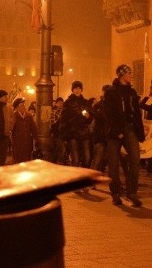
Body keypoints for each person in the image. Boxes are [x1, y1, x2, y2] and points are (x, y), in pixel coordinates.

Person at [103, 64, 145, 207]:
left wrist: (140, 133)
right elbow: (108, 113)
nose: (131, 75)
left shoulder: (132, 92)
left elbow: (137, 113)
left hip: (130, 129)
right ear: (122, 75)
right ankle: (115, 193)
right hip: (114, 132)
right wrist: (116, 131)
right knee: (113, 165)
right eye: (129, 73)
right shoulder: (111, 92)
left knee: (135, 160)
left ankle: (131, 192)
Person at [61, 80, 93, 167]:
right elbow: (63, 118)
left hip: (84, 132)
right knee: (76, 159)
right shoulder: (68, 102)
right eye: (75, 88)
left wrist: (88, 116)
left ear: (81, 89)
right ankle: (75, 177)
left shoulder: (86, 102)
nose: (77, 90)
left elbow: (90, 118)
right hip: (73, 132)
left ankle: (84, 176)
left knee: (87, 158)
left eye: (79, 88)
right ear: (72, 89)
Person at [89, 85, 110, 173]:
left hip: (109, 135)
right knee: (97, 159)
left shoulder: (112, 104)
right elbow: (96, 117)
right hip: (100, 135)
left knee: (105, 159)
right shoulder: (98, 105)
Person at [10, 97, 36, 163]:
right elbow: (10, 128)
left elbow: (33, 128)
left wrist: (36, 138)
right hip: (17, 142)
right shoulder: (14, 116)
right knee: (18, 160)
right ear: (16, 107)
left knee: (27, 160)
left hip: (27, 142)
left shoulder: (29, 116)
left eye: (23, 105)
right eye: (21, 106)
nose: (23, 107)